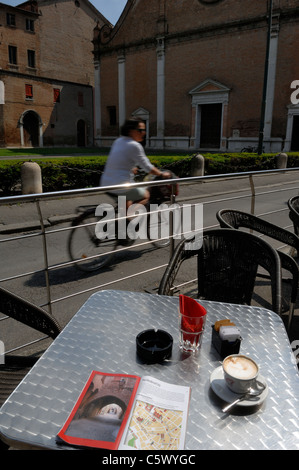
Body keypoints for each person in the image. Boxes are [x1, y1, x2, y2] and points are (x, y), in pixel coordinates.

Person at [100, 118, 164, 209]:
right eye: (140, 130)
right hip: (120, 186)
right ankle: (130, 217)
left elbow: (119, 160)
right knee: (146, 195)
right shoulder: (134, 145)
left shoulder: (118, 141)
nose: (144, 133)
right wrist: (162, 174)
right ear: (130, 131)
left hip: (105, 183)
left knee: (127, 201)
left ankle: (124, 220)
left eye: (144, 130)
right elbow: (148, 167)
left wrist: (131, 168)